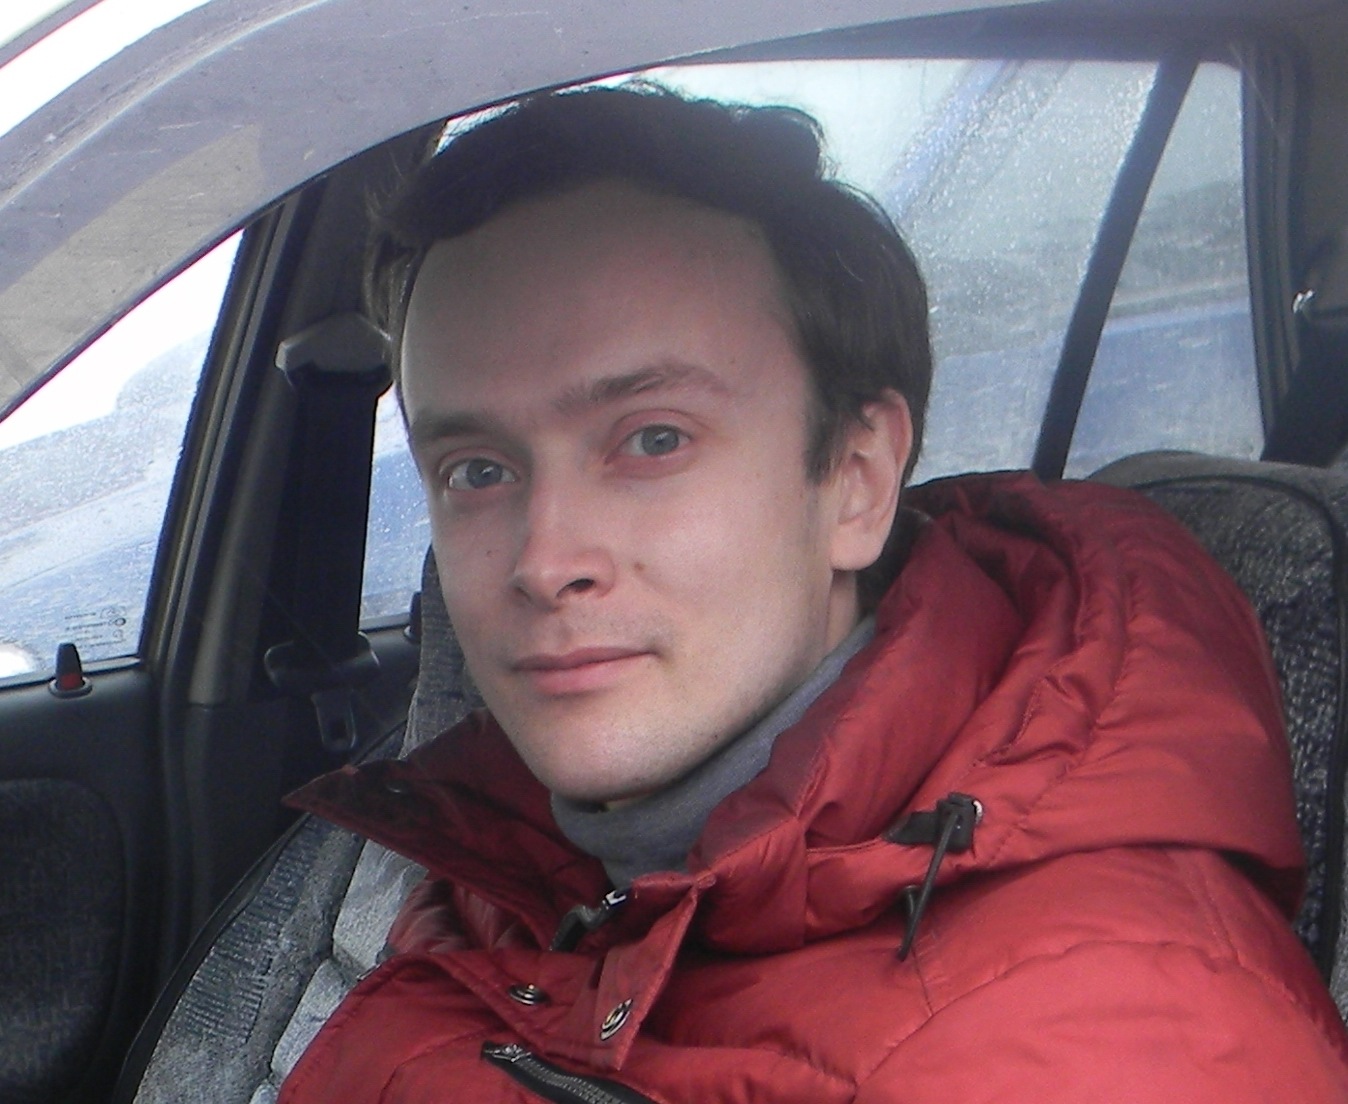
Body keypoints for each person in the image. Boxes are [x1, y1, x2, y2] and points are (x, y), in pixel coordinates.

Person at [279, 85, 1348, 1101]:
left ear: (856, 479)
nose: (543, 560)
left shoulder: (1121, 1042)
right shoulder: (518, 862)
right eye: (477, 470)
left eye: (653, 440)